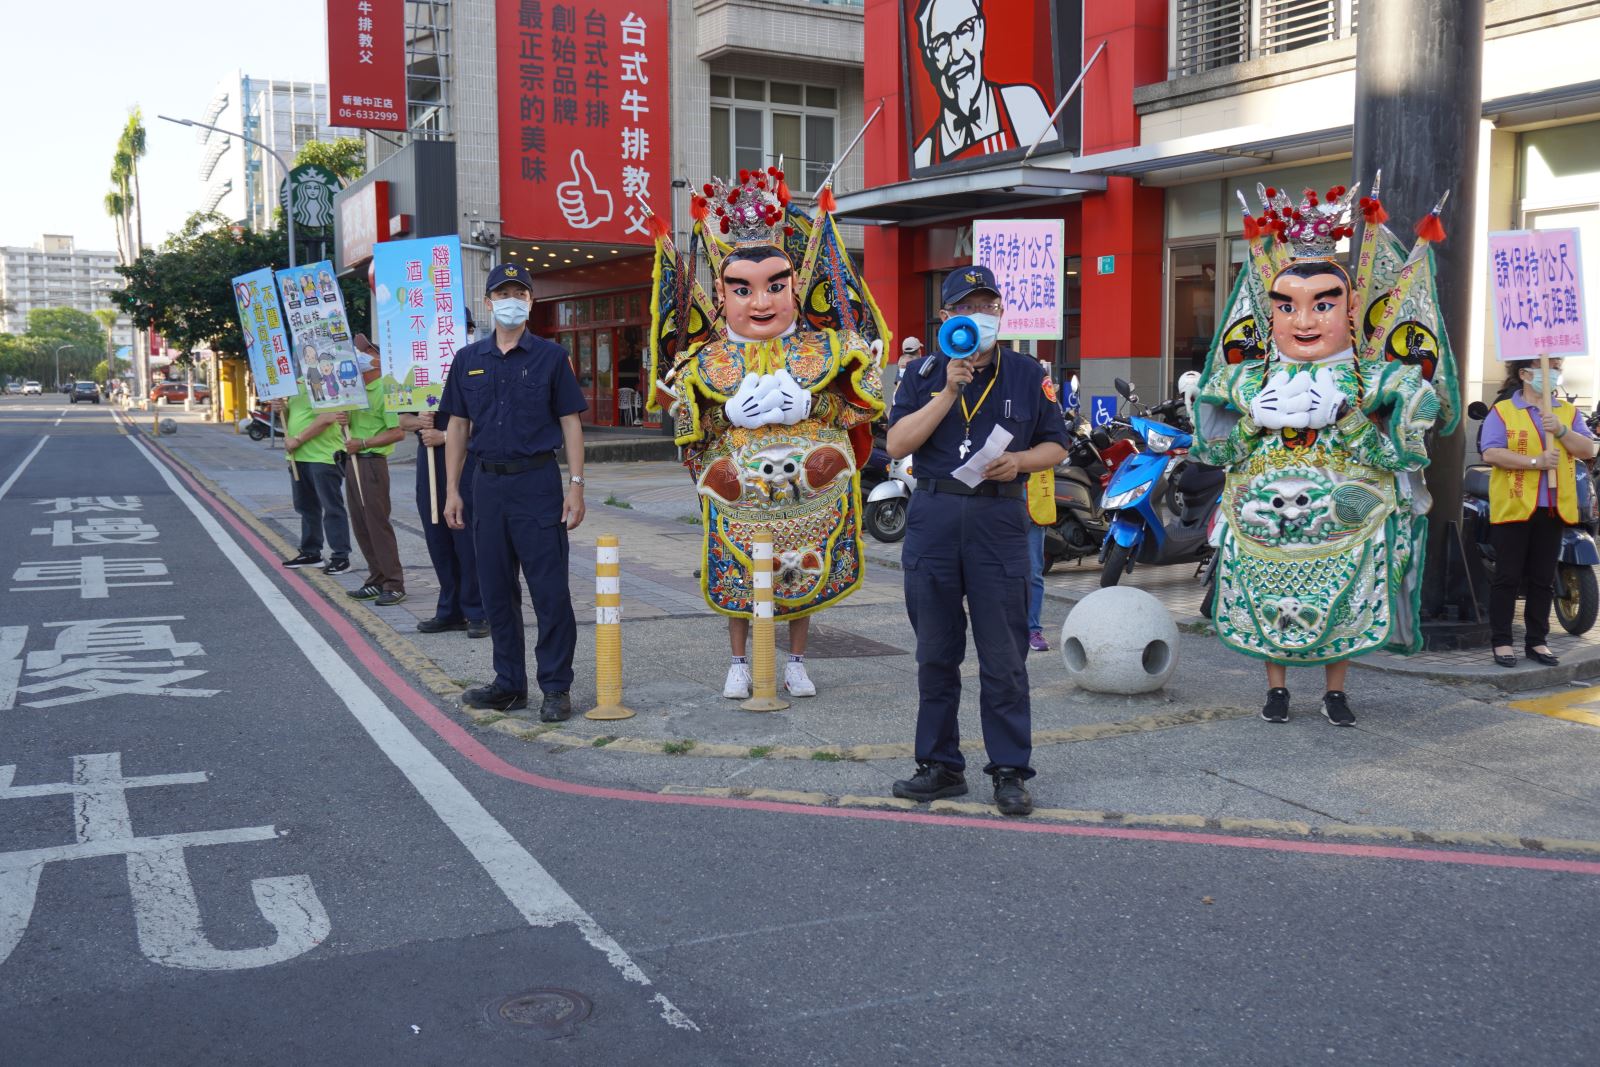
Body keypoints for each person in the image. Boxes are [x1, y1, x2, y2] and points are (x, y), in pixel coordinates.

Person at [1191, 180, 1457, 726]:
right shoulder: (1246, 379)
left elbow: (1403, 456)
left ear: (1352, 306)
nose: (1304, 322)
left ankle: (1335, 691)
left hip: (1346, 519)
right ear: (1270, 313)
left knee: (1344, 600)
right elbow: (1220, 451)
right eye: (1286, 307)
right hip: (1264, 520)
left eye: (1323, 305)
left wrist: (1352, 419)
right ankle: (1277, 688)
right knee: (1268, 598)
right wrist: (1253, 420)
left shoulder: (1379, 379)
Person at [648, 167, 885, 700]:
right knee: (738, 576)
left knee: (802, 575)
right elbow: (687, 432)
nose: (761, 303)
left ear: (795, 286)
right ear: (721, 290)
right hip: (741, 499)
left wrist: (814, 400)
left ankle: (796, 661)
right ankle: (739, 663)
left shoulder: (830, 348)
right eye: (743, 289)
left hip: (811, 497)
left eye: (776, 286)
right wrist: (727, 414)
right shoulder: (700, 361)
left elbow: (860, 412)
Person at [886, 265, 1069, 816]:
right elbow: (897, 443)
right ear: (946, 317)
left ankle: (1010, 770)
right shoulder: (922, 372)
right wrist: (947, 391)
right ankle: (939, 766)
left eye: (989, 306)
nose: (981, 317)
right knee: (936, 653)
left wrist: (1020, 462)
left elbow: (1057, 444)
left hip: (999, 520)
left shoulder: (1026, 371)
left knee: (1004, 655)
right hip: (936, 515)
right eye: (968, 307)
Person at [441, 263, 587, 721]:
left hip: (537, 484)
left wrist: (576, 486)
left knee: (549, 592)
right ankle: (508, 684)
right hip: (485, 485)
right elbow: (458, 427)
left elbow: (570, 423)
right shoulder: (467, 360)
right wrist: (452, 490)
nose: (511, 300)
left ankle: (556, 688)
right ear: (488, 303)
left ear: (530, 301)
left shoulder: (550, 357)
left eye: (519, 293)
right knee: (495, 591)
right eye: (502, 293)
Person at [1479, 357, 1597, 667]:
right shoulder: (1504, 411)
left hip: (1553, 509)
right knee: (1507, 577)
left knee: (1543, 579)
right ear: (1524, 373)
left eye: (1557, 366)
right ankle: (1502, 641)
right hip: (1515, 507)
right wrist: (1535, 463)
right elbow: (1490, 451)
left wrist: (1560, 430)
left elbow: (1588, 449)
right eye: (1548, 366)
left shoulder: (1567, 412)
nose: (1554, 372)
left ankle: (1537, 641)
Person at [398, 317, 488, 641]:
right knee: (436, 535)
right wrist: (418, 422)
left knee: (466, 536)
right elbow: (402, 418)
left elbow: (486, 420)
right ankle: (450, 609)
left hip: (466, 464)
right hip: (429, 465)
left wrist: (444, 436)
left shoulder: (475, 365)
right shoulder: (419, 370)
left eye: (461, 327)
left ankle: (478, 611)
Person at [911, 0, 1053, 168]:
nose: (956, 54)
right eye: (941, 42)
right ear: (929, 58)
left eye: (964, 30)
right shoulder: (924, 155)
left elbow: (1060, 174)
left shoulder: (1022, 106)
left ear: (980, 30)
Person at [334, 337, 407, 607]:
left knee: (377, 522)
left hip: (372, 462)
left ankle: (393, 583)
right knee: (360, 523)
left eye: (364, 353)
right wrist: (343, 421)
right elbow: (348, 431)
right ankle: (375, 578)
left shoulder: (384, 391)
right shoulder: (355, 393)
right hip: (354, 461)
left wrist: (363, 443)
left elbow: (397, 432)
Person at [273, 386, 351, 576]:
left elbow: (328, 418)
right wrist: (280, 409)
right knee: (306, 507)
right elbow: (294, 416)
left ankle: (341, 557)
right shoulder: (295, 383)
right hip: (298, 457)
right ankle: (310, 552)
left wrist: (298, 439)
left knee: (331, 508)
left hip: (323, 457)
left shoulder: (327, 380)